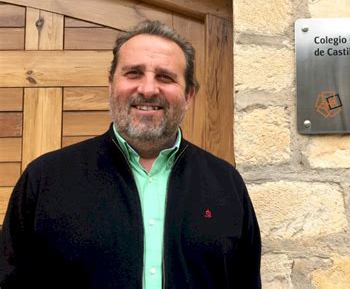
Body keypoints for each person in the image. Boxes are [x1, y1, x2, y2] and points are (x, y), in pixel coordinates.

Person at [0, 20, 261, 288]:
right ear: (111, 85)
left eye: (165, 77)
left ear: (189, 95)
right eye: (134, 73)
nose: (148, 89)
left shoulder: (225, 183)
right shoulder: (46, 179)